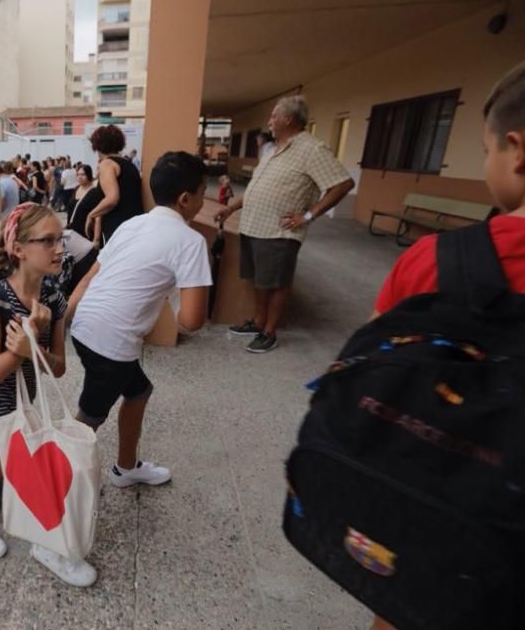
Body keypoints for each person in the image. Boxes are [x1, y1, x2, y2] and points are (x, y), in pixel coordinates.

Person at [364, 61, 525, 630]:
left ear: (517, 149)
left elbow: (375, 365)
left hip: (449, 500)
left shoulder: (436, 260)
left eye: (485, 150)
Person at [0, 203, 95, 585]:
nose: (59, 249)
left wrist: (34, 346)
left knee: (5, 460)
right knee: (3, 459)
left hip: (23, 392)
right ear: (18, 248)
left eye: (59, 239)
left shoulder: (53, 298)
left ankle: (6, 527)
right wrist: (20, 349)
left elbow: (60, 366)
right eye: (47, 241)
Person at [68, 151, 212, 490]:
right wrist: (176, 304)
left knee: (139, 391)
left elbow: (90, 276)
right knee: (86, 423)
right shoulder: (190, 242)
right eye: (204, 193)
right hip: (111, 344)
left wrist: (64, 318)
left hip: (85, 327)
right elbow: (191, 320)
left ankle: (126, 467)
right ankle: (52, 499)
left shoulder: (133, 222)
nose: (204, 200)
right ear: (186, 199)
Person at [215, 95, 354, 353]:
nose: (269, 121)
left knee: (277, 282)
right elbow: (257, 188)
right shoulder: (274, 149)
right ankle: (258, 322)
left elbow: (342, 183)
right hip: (254, 225)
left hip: (279, 230)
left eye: (273, 116)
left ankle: (269, 331)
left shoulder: (312, 149)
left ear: (288, 119)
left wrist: (309, 215)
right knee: (259, 280)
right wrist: (231, 208)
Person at [85, 125, 144, 245]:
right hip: (136, 227)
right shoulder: (130, 165)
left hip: (118, 229)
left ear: (97, 146)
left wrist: (91, 215)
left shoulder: (106, 164)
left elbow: (112, 199)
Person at [68, 165, 103, 244]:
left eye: (83, 174)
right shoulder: (77, 188)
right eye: (78, 174)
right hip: (72, 231)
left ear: (89, 175)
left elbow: (98, 217)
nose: (80, 177)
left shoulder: (95, 192)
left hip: (85, 233)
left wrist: (96, 239)